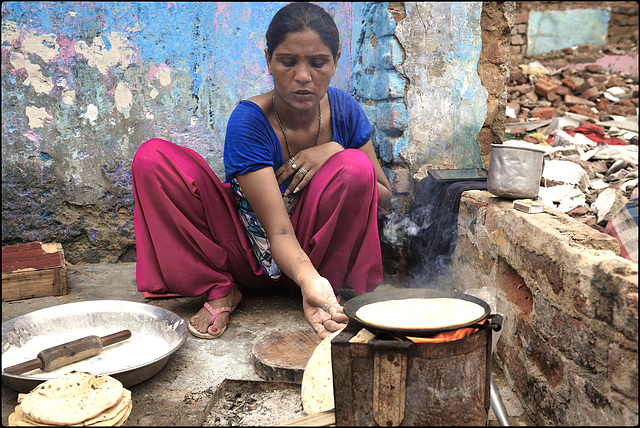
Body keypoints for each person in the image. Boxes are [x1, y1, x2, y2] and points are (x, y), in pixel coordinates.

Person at [131, 2, 391, 340]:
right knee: (153, 159)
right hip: (244, 253)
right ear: (268, 60)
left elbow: (382, 197)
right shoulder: (250, 121)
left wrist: (334, 151)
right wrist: (307, 277)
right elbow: (278, 233)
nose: (303, 76)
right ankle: (221, 287)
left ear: (336, 61)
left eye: (318, 62)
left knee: (355, 167)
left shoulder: (344, 111)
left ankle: (322, 292)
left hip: (318, 262)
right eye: (287, 62)